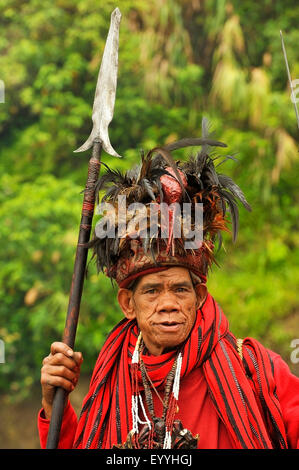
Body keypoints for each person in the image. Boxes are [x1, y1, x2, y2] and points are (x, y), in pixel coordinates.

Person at [38, 122, 299, 449]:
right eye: (151, 291)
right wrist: (54, 404)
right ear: (127, 304)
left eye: (180, 289)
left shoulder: (256, 369)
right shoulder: (111, 380)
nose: (168, 303)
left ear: (199, 296)